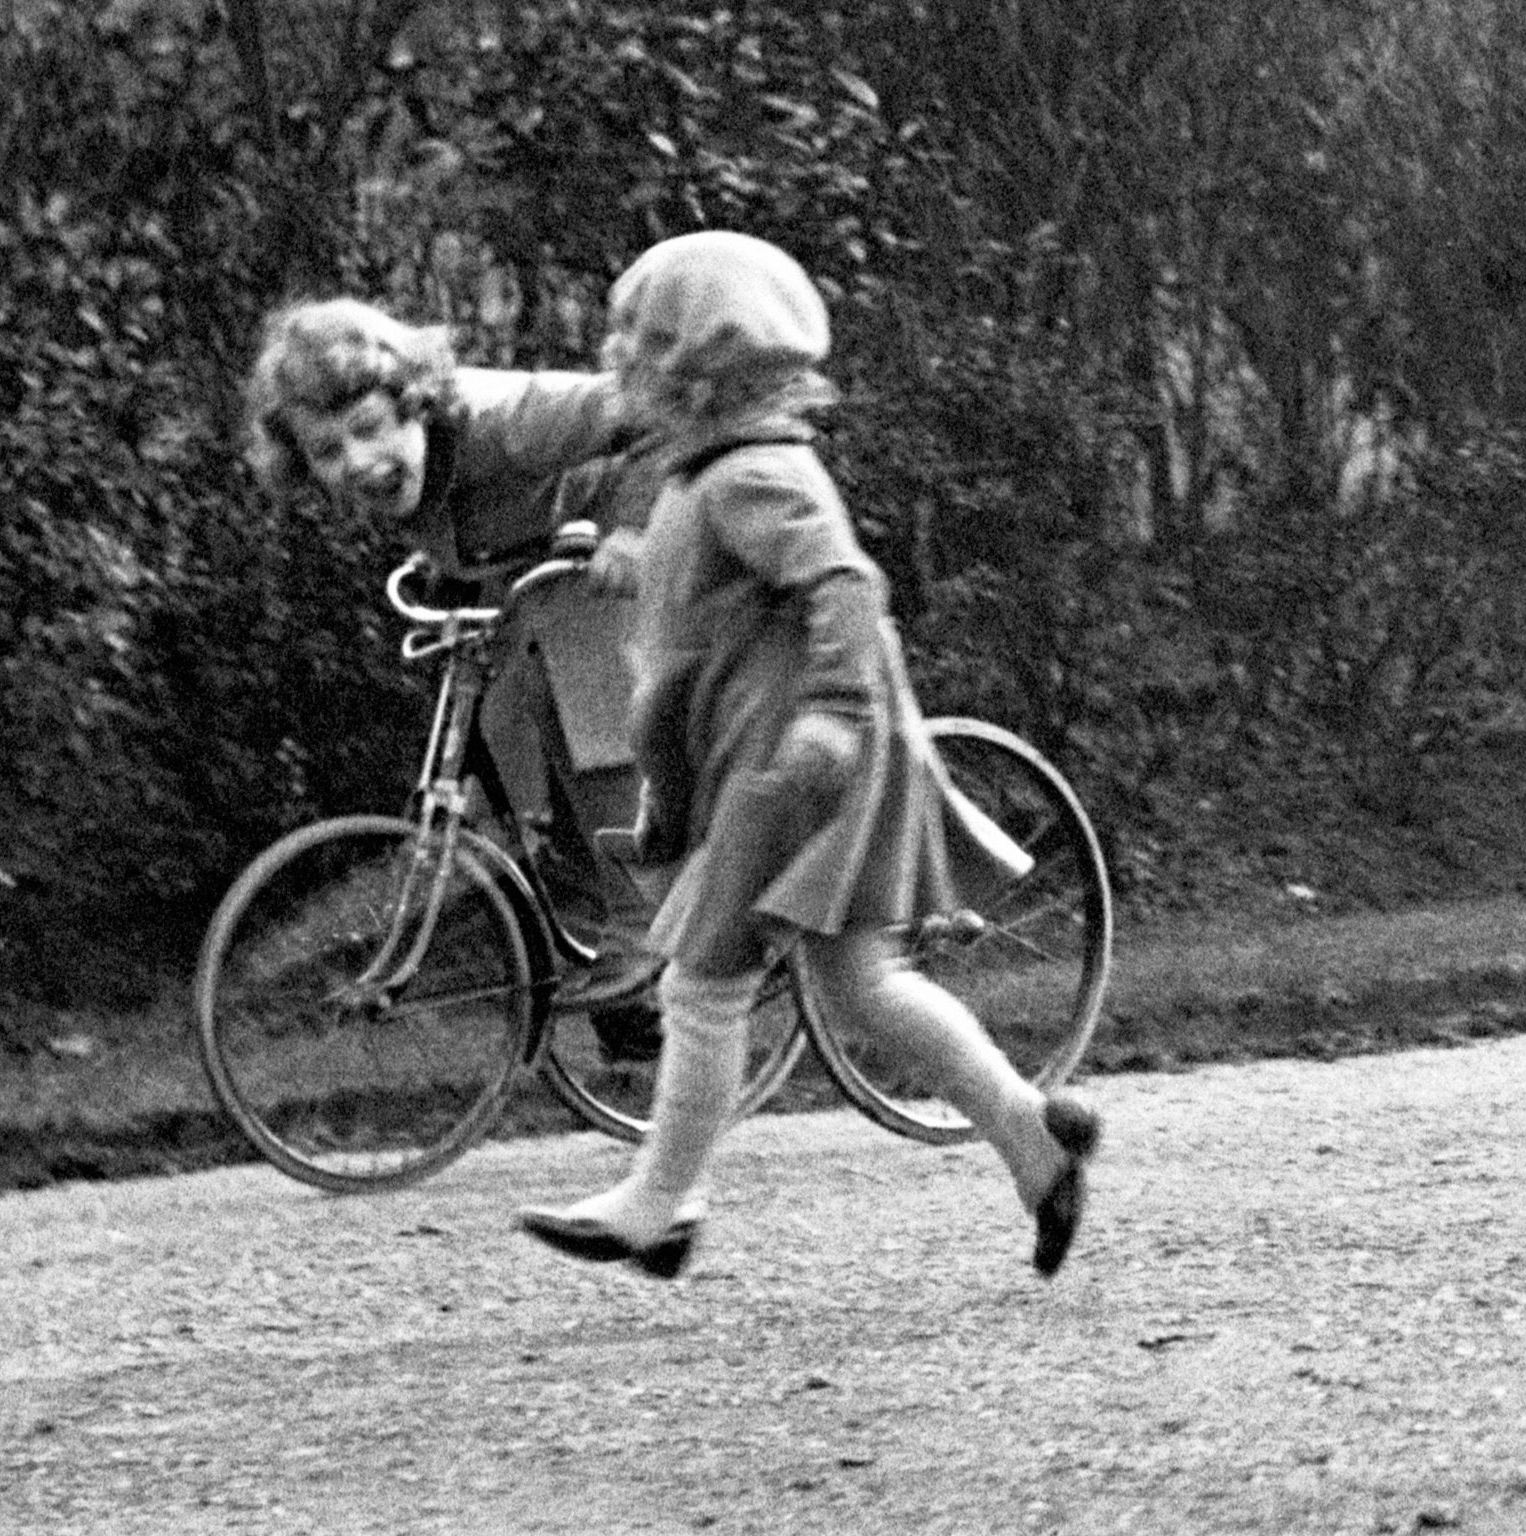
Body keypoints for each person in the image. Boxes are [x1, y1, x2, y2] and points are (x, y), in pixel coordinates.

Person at [516, 231, 1103, 1281]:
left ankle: (662, 1202)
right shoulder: (712, 484)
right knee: (863, 983)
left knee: (700, 987)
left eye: (633, 357)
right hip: (773, 762)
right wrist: (641, 569)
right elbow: (720, 617)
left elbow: (843, 586)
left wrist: (832, 712)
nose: (618, 377)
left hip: (792, 766)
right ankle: (1029, 1137)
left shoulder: (750, 475)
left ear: (696, 375)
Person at [242, 296, 659, 1012]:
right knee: (506, 743)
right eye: (327, 452)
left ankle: (645, 935)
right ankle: (628, 995)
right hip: (547, 586)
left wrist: (629, 528)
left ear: (415, 403)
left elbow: (654, 413)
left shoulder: (504, 422)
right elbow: (479, 522)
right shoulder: (404, 475)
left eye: (370, 430)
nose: (357, 462)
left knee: (585, 712)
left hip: (637, 558)